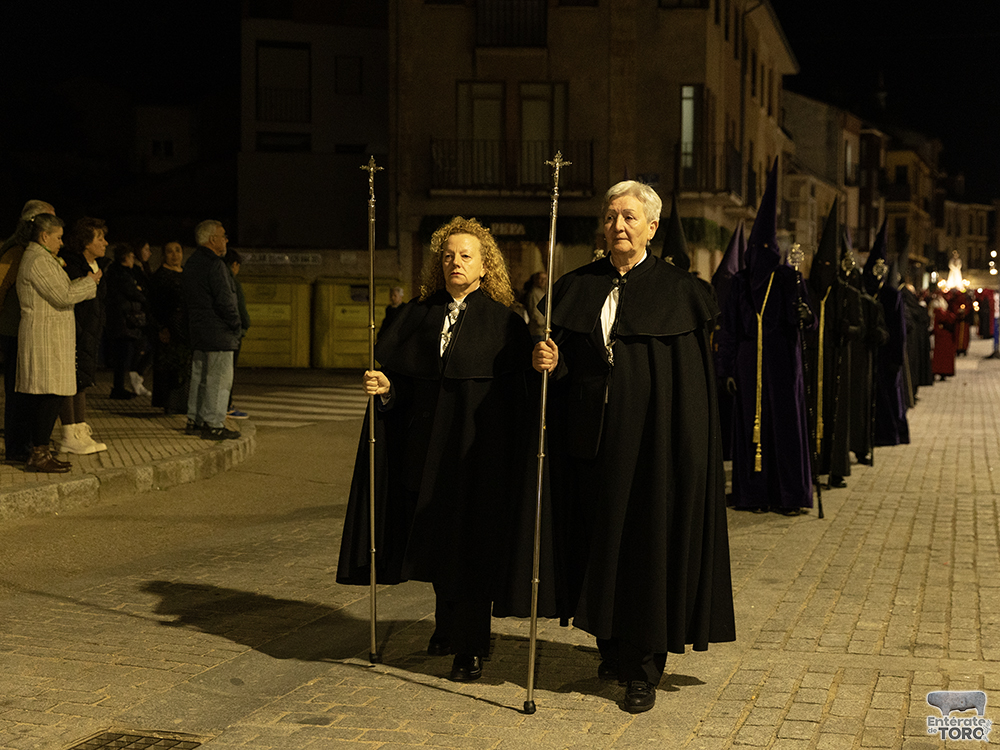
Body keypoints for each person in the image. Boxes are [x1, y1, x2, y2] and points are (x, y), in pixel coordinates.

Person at [532, 181, 735, 714]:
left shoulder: (679, 291)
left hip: (653, 451)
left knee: (646, 551)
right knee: (599, 544)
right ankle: (610, 645)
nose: (617, 225)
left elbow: (689, 389)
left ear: (651, 228)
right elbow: (573, 361)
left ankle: (643, 668)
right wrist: (551, 363)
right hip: (591, 446)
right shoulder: (578, 286)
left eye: (628, 217)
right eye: (611, 216)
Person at [337, 216, 533, 684]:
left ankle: (471, 646)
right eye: (447, 256)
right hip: (425, 453)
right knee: (438, 540)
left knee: (471, 547)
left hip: (477, 455)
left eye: (466, 256)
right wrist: (386, 388)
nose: (455, 263)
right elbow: (404, 388)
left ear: (485, 267)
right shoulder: (419, 316)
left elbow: (515, 400)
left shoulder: (504, 323)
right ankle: (447, 628)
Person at [715, 162, 815, 515]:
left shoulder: (789, 279)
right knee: (751, 429)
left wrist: (804, 315)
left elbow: (806, 321)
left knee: (783, 427)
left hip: (783, 366)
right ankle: (754, 494)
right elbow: (729, 329)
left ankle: (788, 494)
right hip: (747, 365)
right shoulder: (739, 284)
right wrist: (725, 369)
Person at [16, 214, 99, 472]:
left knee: (50, 395)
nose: (61, 243)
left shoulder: (43, 259)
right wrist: (89, 281)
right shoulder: (38, 260)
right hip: (45, 338)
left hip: (51, 337)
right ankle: (39, 454)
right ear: (44, 236)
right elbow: (63, 295)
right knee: (47, 396)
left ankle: (40, 451)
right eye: (59, 237)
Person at [1, 199, 55, 463]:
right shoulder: (15, 251)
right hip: (12, 331)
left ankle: (30, 442)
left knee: (28, 391)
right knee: (18, 392)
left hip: (25, 331)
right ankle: (16, 447)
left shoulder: (33, 251)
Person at [182, 220, 241, 441]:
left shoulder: (192, 264)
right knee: (219, 380)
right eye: (223, 235)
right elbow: (226, 301)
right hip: (219, 332)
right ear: (212, 239)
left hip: (198, 330)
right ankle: (214, 425)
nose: (226, 240)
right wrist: (235, 325)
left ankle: (194, 420)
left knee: (199, 377)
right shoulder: (216, 265)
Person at [57, 217, 111, 454]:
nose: (106, 243)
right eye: (100, 238)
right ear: (85, 242)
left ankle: (80, 429)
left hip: (91, 333)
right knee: (71, 381)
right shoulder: (71, 266)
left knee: (82, 380)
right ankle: (69, 433)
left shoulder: (100, 267)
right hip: (75, 332)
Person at [149, 241, 190, 414]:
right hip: (168, 328)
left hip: (185, 327)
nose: (175, 255)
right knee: (168, 366)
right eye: (170, 252)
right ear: (163, 255)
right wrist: (160, 327)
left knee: (184, 365)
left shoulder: (186, 274)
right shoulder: (160, 276)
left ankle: (183, 403)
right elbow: (152, 305)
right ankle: (169, 404)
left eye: (178, 251)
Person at [104, 243, 149, 399]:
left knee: (125, 355)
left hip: (124, 320)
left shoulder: (124, 273)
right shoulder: (121, 274)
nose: (133, 259)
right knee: (123, 356)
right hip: (123, 321)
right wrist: (140, 292)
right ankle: (118, 388)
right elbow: (134, 292)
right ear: (125, 257)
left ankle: (120, 387)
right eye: (131, 256)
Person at [225, 248, 250, 419]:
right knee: (229, 370)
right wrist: (246, 324)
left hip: (220, 331)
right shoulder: (233, 281)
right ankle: (227, 405)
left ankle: (225, 404)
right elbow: (240, 308)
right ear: (234, 265)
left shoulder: (217, 276)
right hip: (233, 332)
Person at [524, 271, 547, 341]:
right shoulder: (534, 293)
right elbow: (535, 312)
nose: (543, 281)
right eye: (541, 279)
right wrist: (543, 323)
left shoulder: (541, 292)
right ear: (536, 280)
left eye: (545, 279)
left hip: (541, 330)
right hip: (537, 330)